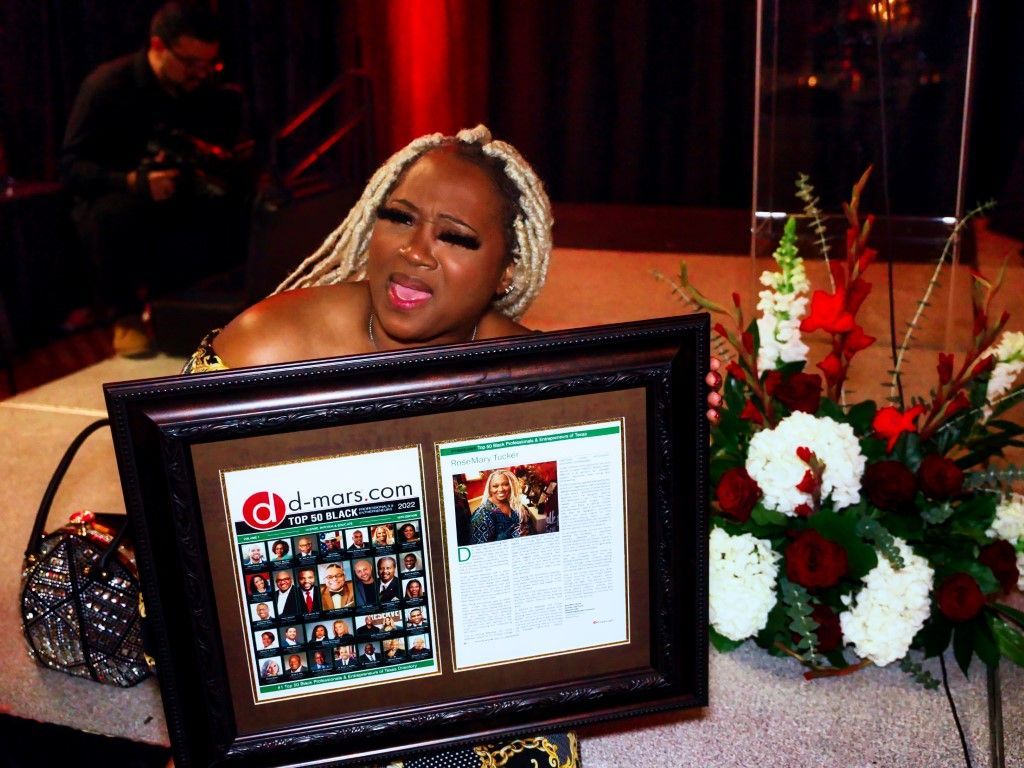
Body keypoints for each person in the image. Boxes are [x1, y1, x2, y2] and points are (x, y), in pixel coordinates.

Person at [184, 125, 721, 768]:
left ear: (505, 271)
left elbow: (566, 557)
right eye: (399, 218)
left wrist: (667, 446)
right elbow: (198, 534)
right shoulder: (265, 347)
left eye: (456, 237)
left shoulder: (537, 381)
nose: (414, 252)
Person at [60, 1, 248, 355]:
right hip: (121, 196)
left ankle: (206, 311)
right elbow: (72, 168)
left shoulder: (203, 89)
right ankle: (126, 317)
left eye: (208, 64)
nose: (200, 73)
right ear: (158, 47)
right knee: (111, 215)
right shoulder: (106, 87)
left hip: (182, 193)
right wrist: (133, 181)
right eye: (191, 64)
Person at [470, 469, 529, 544]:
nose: (500, 489)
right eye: (495, 486)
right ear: (490, 489)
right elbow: (481, 550)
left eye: (505, 484)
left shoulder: (514, 504)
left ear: (511, 485)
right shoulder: (481, 516)